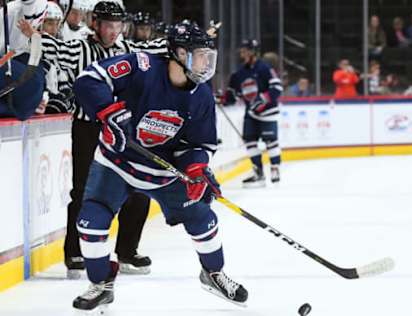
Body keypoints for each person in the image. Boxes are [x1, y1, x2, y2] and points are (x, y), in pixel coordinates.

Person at [71, 20, 248, 312]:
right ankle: (101, 284)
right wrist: (109, 112)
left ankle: (213, 273)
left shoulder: (201, 94)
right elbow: (89, 79)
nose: (207, 63)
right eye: (201, 55)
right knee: (91, 220)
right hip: (116, 162)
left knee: (203, 219)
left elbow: (201, 144)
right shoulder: (141, 66)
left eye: (208, 56)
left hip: (163, 173)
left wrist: (196, 169)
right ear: (179, 53)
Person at [18, 1, 170, 278]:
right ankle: (76, 253)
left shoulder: (128, 50)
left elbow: (157, 50)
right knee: (85, 191)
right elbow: (54, 48)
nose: (114, 32)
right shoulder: (79, 48)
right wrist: (33, 34)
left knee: (138, 191)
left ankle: (127, 252)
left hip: (123, 131)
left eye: (118, 26)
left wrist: (190, 42)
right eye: (108, 26)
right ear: (95, 25)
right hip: (88, 129)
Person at [222, 39, 283, 187]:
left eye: (245, 50)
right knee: (250, 142)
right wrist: (222, 99)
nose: (242, 53)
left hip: (268, 112)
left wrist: (263, 99)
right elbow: (232, 96)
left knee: (271, 141)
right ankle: (258, 172)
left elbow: (277, 88)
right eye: (241, 50)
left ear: (253, 52)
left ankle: (275, 169)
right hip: (251, 113)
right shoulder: (239, 73)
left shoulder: (265, 68)